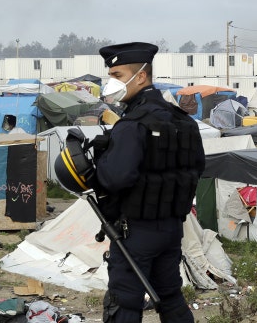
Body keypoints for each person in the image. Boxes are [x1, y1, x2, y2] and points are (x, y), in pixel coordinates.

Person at [95, 42, 203, 322]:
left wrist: (98, 161)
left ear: (140, 76)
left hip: (136, 231)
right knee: (170, 298)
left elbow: (116, 177)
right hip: (171, 230)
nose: (111, 82)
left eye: (117, 75)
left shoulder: (133, 124)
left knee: (124, 302)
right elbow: (197, 168)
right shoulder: (184, 122)